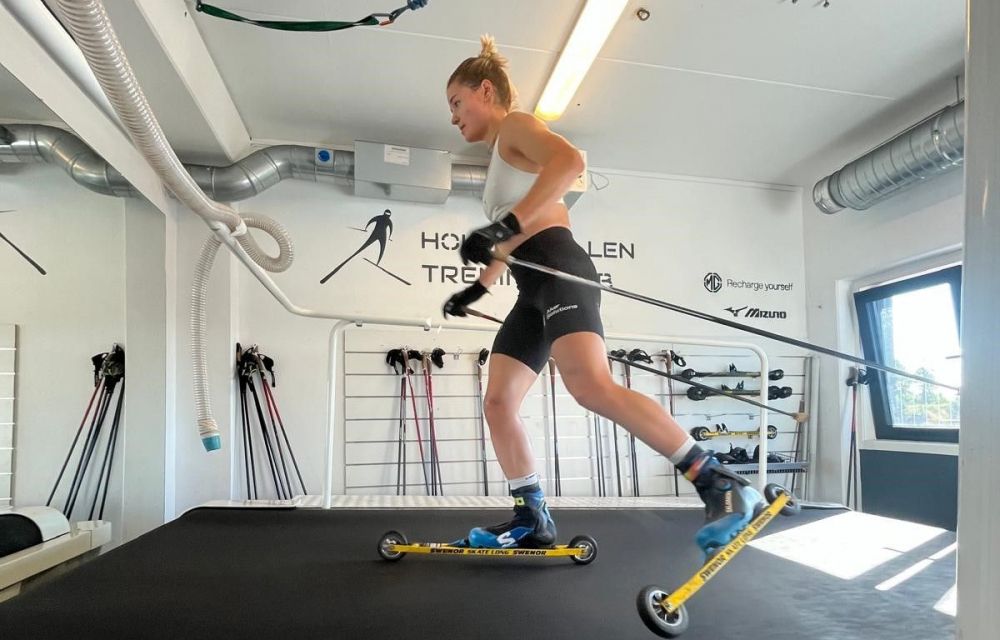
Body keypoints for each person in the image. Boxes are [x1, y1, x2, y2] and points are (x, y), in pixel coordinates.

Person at [442, 35, 764, 558]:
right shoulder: (499, 164)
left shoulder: (516, 127)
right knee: (499, 402)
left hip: (560, 269)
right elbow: (513, 236)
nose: (454, 117)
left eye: (457, 102)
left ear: (485, 91)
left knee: (591, 386)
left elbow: (569, 163)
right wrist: (477, 287)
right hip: (531, 287)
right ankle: (531, 516)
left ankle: (717, 481)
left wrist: (504, 225)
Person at [320, 209, 393, 283]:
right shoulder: (385, 220)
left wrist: (366, 228)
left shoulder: (381, 218)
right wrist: (366, 228)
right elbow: (374, 223)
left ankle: (378, 262)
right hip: (378, 234)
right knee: (374, 249)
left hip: (380, 235)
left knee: (379, 249)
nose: (387, 215)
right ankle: (378, 262)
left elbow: (372, 221)